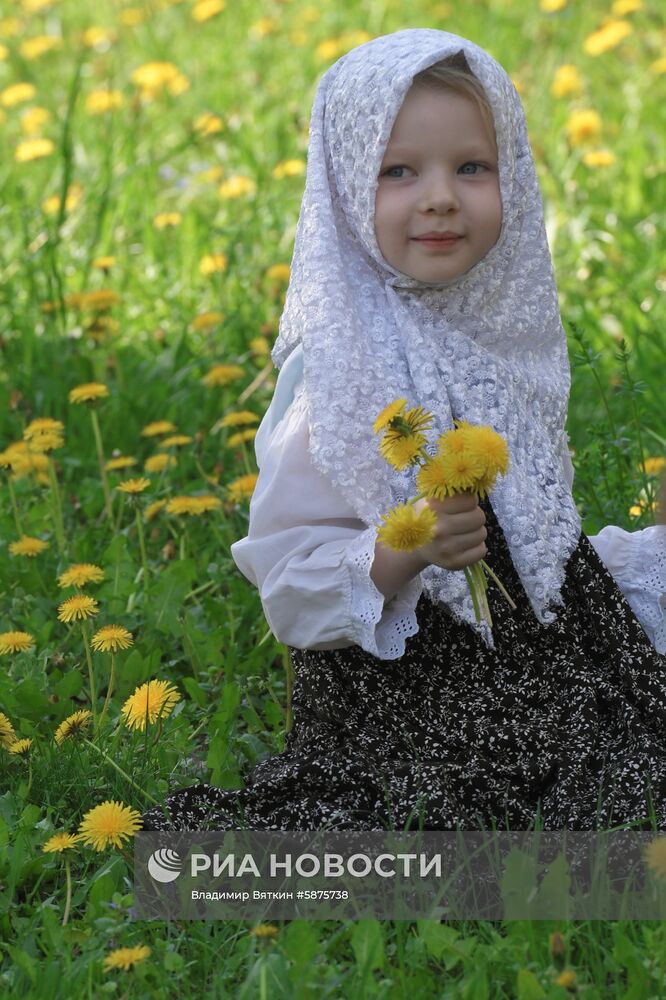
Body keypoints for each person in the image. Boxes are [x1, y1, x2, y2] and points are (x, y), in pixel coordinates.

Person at [140, 28, 666, 835]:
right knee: (582, 805)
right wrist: (407, 547)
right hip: (412, 691)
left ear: (512, 176)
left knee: (627, 744)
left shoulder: (504, 335)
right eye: (397, 171)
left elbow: (536, 536)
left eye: (471, 168)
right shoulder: (337, 375)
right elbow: (290, 585)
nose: (440, 198)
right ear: (348, 189)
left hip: (531, 650)